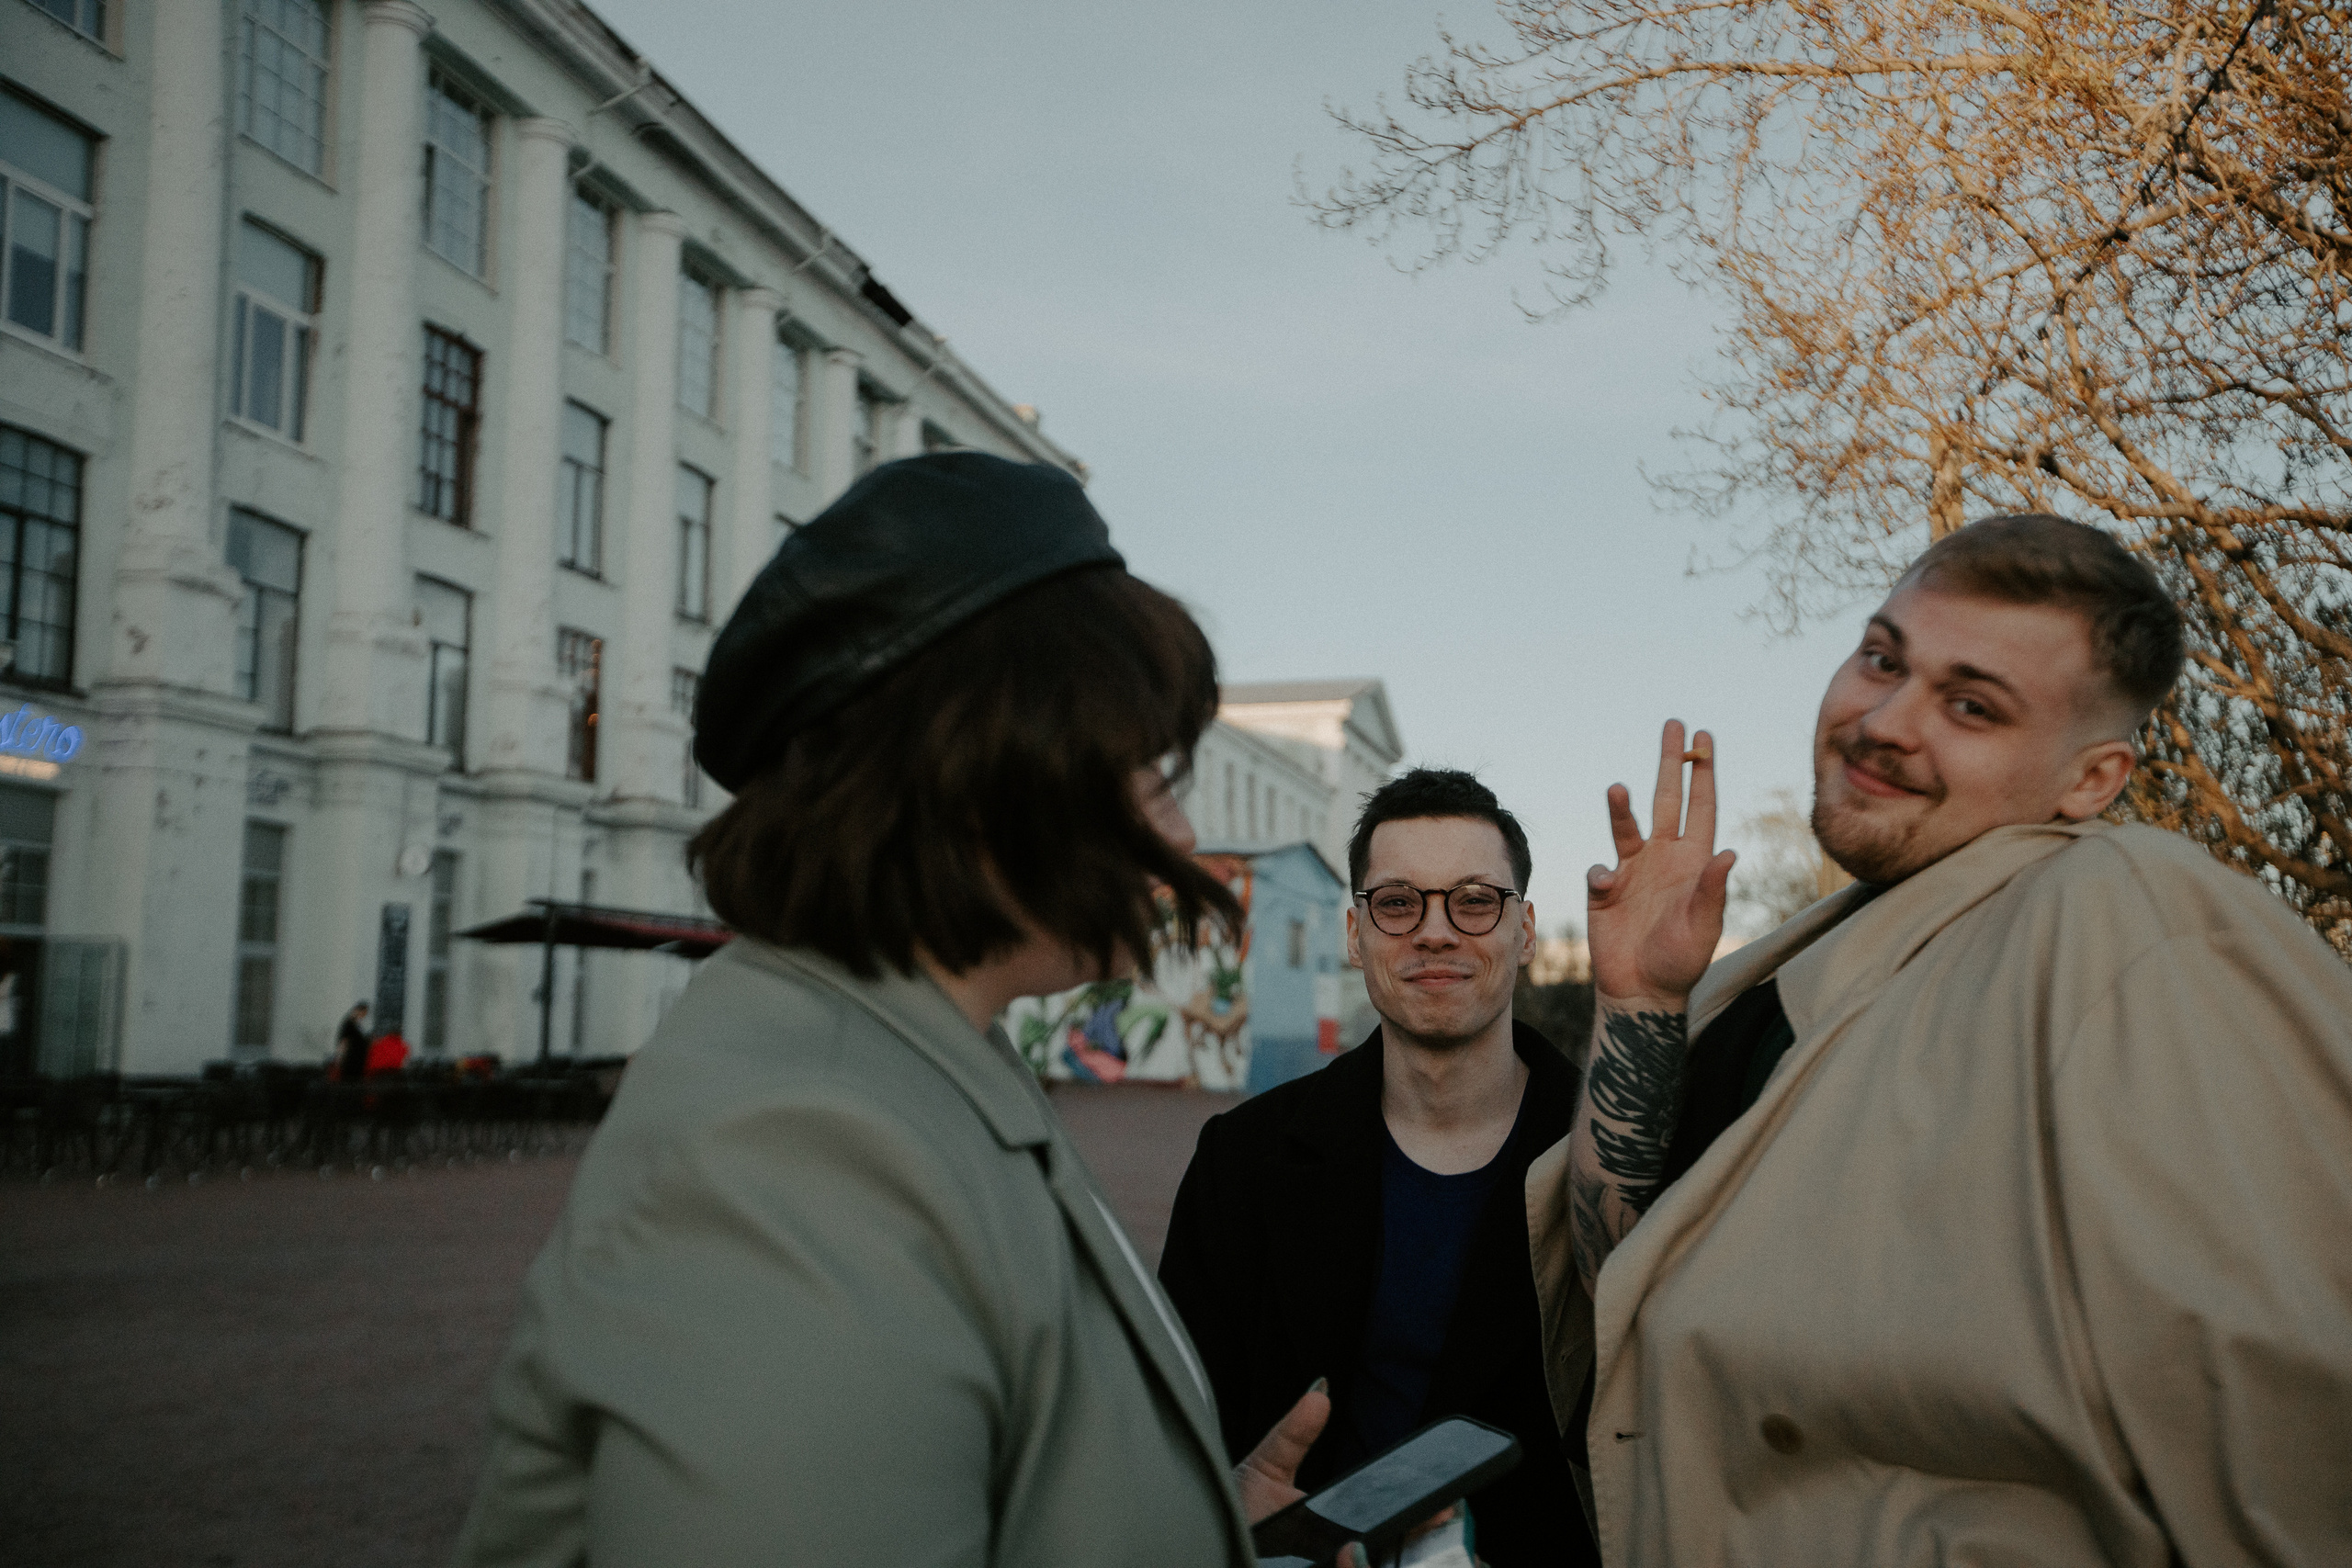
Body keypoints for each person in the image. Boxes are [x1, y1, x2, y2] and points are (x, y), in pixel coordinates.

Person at [457, 454, 1342, 1567]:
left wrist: (1200, 1525)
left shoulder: (892, 1065)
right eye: (1153, 774)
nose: (1176, 837)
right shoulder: (800, 1153)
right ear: (983, 775)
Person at [1532, 514, 2352, 1564]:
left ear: (2090, 780)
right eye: (1882, 658)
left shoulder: (2132, 919)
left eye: (1971, 705)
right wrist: (1643, 1000)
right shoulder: (1835, 949)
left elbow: (2291, 1436)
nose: (1885, 720)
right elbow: (1625, 1285)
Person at [1162, 768, 1600, 1567]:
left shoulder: (1609, 1159)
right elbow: (1176, 1428)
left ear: (1526, 931)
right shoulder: (1244, 1158)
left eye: (1474, 900)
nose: (1435, 931)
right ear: (1357, 933)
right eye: (1398, 902)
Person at [331, 1001, 369, 1084]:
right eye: (364, 1013)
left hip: (357, 1061)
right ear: (358, 1010)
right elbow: (344, 1042)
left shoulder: (355, 1024)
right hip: (351, 1061)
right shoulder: (349, 1024)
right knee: (349, 1083)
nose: (364, 1016)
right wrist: (339, 1060)